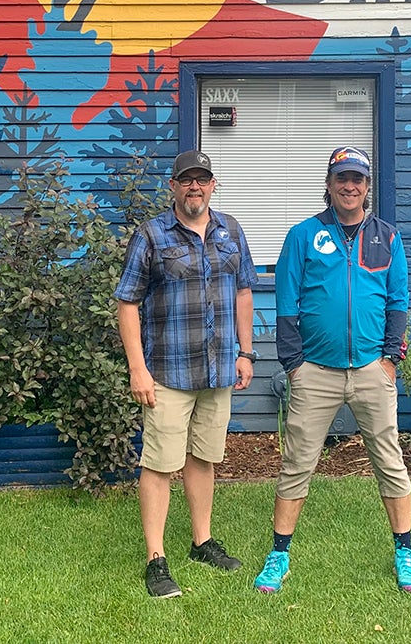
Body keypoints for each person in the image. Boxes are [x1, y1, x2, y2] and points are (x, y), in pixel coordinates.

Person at [253, 146, 411, 594]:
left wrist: (390, 360)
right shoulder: (303, 234)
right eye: (341, 178)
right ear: (328, 185)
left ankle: (405, 551)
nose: (350, 186)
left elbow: (398, 302)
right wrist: (294, 366)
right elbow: (286, 304)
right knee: (297, 464)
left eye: (358, 179)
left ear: (368, 187)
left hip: (372, 370)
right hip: (316, 373)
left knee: (390, 462)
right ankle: (279, 554)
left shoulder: (387, 237)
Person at [115, 149, 259, 599]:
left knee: (204, 457)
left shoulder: (230, 230)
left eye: (203, 179)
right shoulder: (152, 235)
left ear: (214, 185)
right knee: (159, 464)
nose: (195, 186)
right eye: (187, 180)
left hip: (218, 371)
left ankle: (201, 541)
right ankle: (155, 560)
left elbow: (243, 292)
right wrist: (137, 369)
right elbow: (127, 303)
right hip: (168, 373)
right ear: (173, 187)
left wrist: (246, 352)